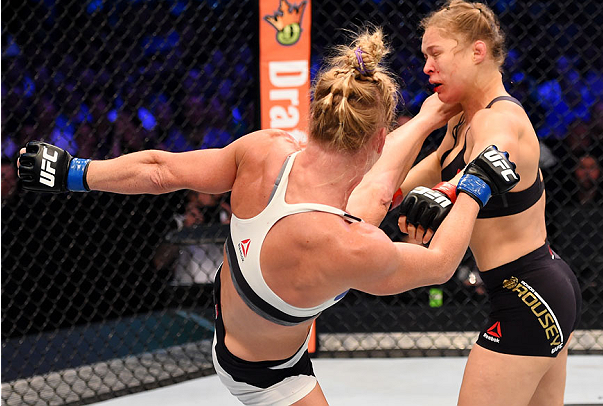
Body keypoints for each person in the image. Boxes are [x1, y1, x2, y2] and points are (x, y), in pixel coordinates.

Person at [17, 28, 519, 406]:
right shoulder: (348, 243)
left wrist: (74, 171)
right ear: (375, 137)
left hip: (246, 305)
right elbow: (437, 265)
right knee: (363, 216)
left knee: (365, 208)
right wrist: (475, 186)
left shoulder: (267, 149)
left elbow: (159, 170)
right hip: (266, 372)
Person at [397, 0, 582, 406]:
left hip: (528, 292)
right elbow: (401, 184)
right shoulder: (461, 122)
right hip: (537, 287)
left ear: (477, 51)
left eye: (436, 54)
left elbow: (490, 161)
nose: (426, 67)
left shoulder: (501, 119)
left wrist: (445, 193)